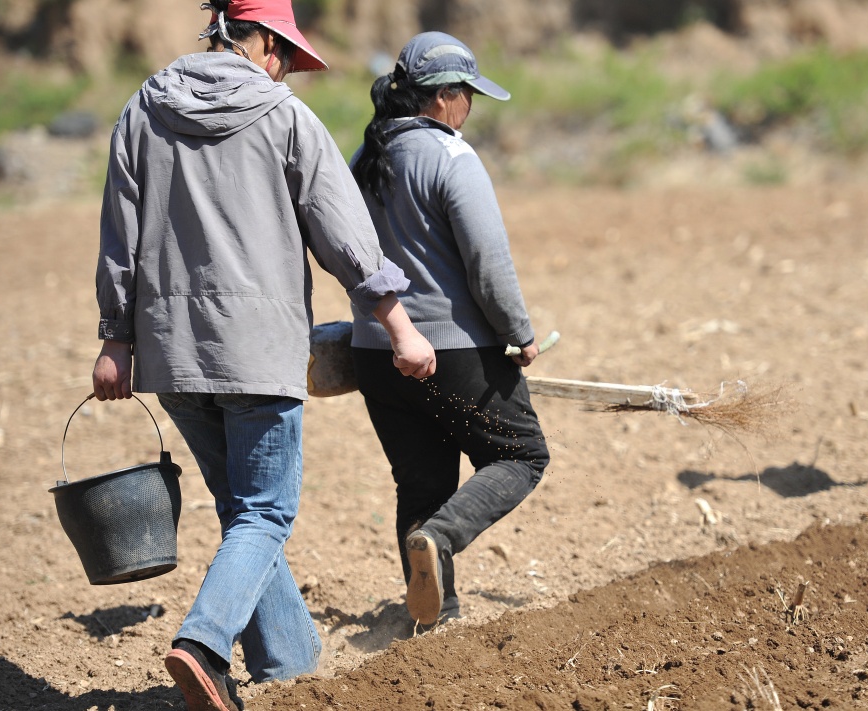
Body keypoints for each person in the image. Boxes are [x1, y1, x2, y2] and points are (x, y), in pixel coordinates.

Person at [91, 2, 435, 709]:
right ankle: (204, 644)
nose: (286, 71)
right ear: (268, 45)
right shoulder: (285, 117)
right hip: (259, 350)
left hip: (172, 354)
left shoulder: (142, 111)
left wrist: (113, 339)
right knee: (264, 512)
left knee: (240, 506)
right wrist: (400, 325)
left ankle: (291, 664)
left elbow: (117, 234)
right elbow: (347, 238)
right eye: (288, 56)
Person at [349, 31, 550, 628]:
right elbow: (488, 264)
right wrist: (520, 332)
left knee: (421, 478)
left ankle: (435, 618)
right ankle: (441, 536)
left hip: (377, 351)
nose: (471, 108)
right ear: (443, 98)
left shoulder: (365, 158)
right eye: (468, 94)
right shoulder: (451, 157)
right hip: (453, 349)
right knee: (521, 454)